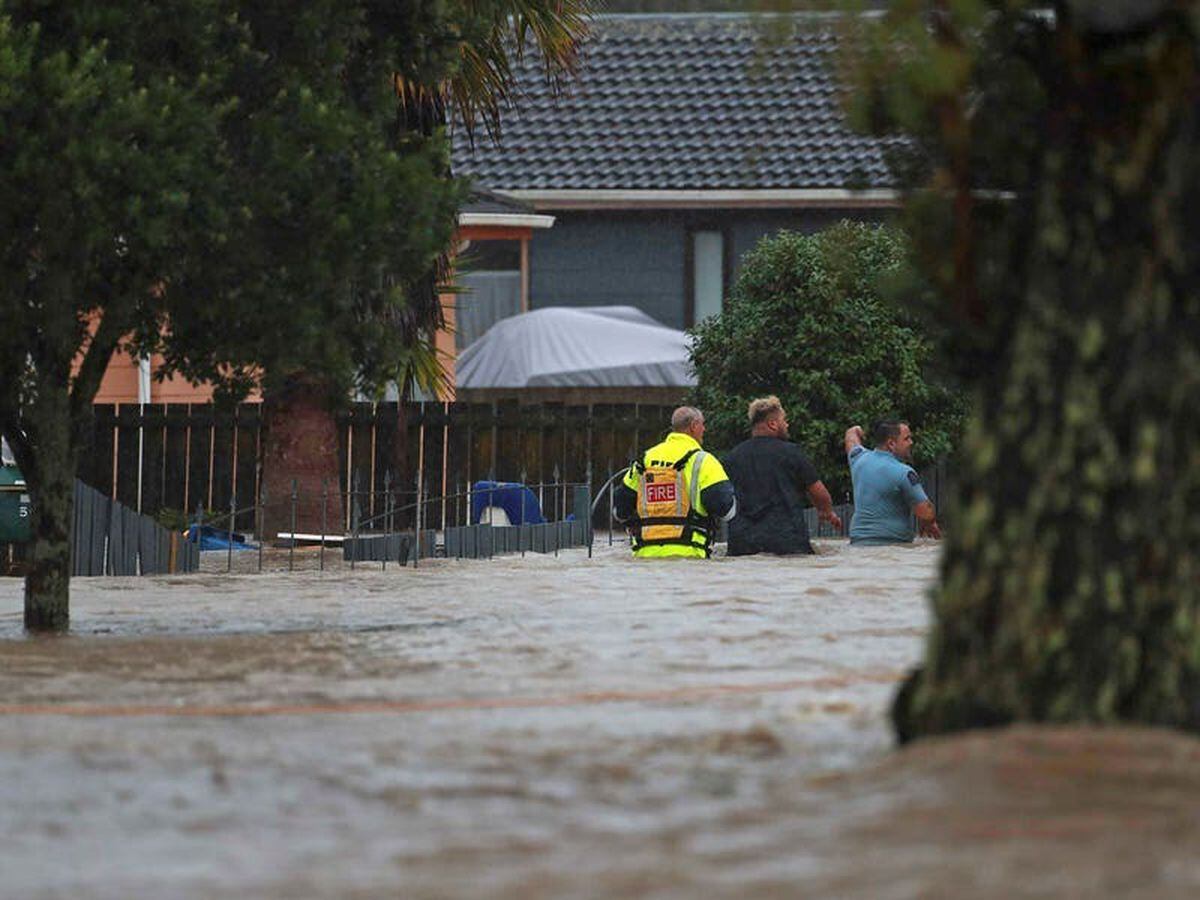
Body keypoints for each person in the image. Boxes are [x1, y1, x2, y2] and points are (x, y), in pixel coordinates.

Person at [722, 396, 841, 556]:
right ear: (773, 424)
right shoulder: (792, 453)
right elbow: (819, 492)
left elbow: (722, 497)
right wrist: (826, 511)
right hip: (787, 542)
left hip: (742, 544)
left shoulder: (732, 457)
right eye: (784, 420)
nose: (787, 424)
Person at [613, 406, 736, 558]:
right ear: (694, 426)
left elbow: (620, 512)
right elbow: (727, 511)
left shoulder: (645, 459)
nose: (704, 429)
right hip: (691, 556)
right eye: (703, 424)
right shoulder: (704, 461)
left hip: (644, 559)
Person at [844, 420, 940, 545]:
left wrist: (856, 429)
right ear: (891, 444)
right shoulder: (904, 472)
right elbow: (926, 513)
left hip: (857, 544)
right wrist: (930, 522)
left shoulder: (858, 458)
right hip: (893, 546)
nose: (911, 442)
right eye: (907, 439)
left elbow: (850, 438)